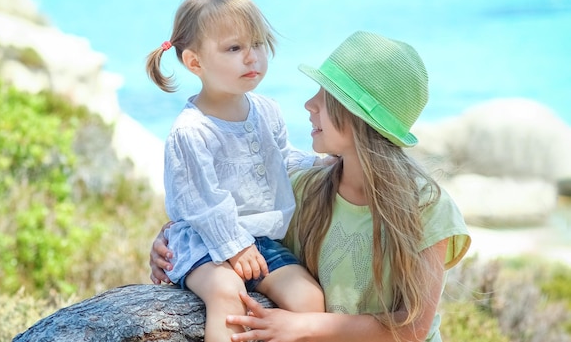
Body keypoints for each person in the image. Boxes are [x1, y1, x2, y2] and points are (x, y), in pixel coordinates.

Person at [150, 30, 472, 342]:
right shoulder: (304, 190)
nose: (309, 104)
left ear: (360, 117)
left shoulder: (427, 208)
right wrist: (172, 242)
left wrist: (303, 327)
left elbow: (412, 329)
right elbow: (227, 213)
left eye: (326, 96)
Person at [145, 0, 325, 342]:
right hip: (202, 243)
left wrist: (324, 166)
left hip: (258, 240)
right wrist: (234, 247)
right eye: (234, 48)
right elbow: (202, 202)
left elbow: (284, 160)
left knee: (310, 298)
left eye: (257, 44)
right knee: (227, 292)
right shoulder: (191, 130)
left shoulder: (267, 109)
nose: (252, 58)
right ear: (195, 62)